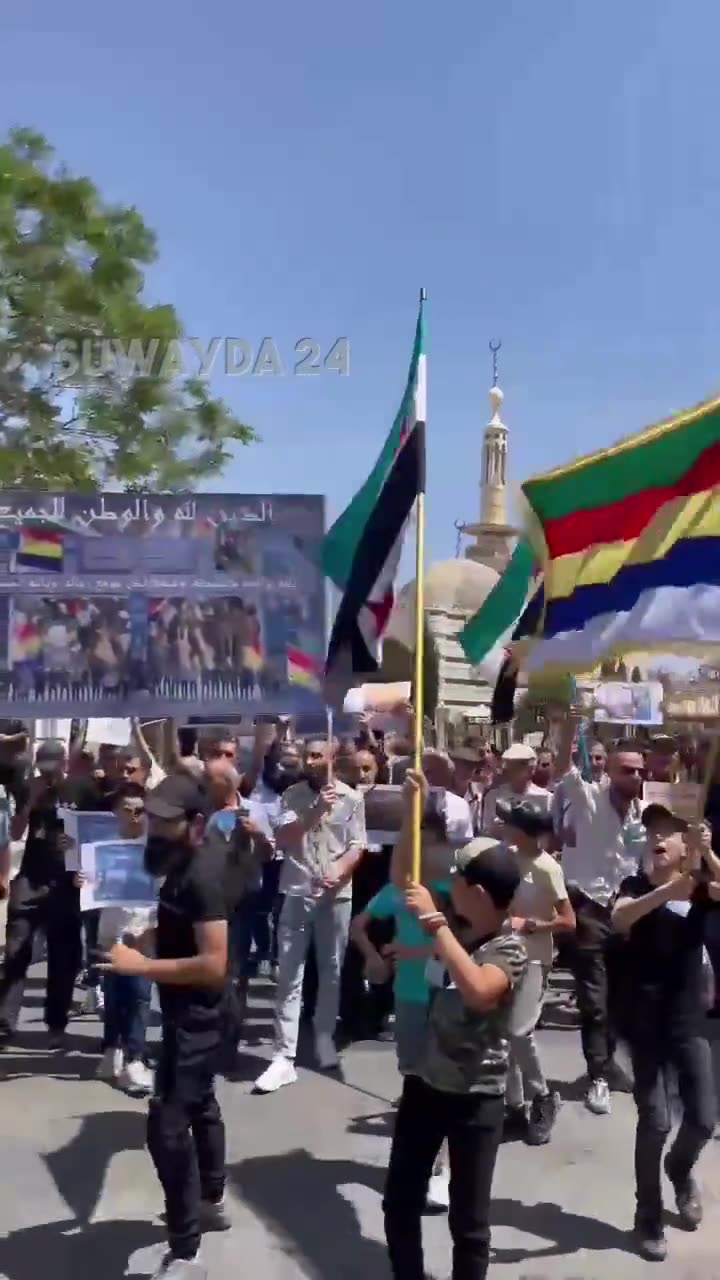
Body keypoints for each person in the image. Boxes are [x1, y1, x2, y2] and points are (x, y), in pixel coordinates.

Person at [383, 770, 527, 1280]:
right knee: (399, 1205)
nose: (451, 886)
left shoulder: (508, 948)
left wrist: (437, 928)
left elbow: (481, 990)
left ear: (482, 895)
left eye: (461, 881)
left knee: (469, 1226)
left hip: (476, 1098)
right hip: (426, 1083)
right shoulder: (462, 927)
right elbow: (405, 878)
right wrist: (410, 812)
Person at [101, 773, 229, 1280]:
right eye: (150, 817)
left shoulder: (201, 874)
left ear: (195, 825)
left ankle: (185, 1252)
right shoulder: (177, 866)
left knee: (166, 1127)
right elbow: (182, 928)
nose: (151, 827)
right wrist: (147, 936)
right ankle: (213, 1198)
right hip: (185, 1009)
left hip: (201, 1014)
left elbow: (214, 961)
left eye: (163, 821)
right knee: (200, 1102)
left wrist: (142, 968)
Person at [612, 807, 720, 1261]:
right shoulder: (634, 888)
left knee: (702, 1118)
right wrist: (666, 893)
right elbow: (620, 918)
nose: (657, 838)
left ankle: (680, 1169)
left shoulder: (700, 890)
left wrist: (711, 855)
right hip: (643, 1024)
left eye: (668, 834)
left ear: (683, 848)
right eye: (651, 832)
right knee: (655, 1121)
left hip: (687, 1021)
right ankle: (648, 1216)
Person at [351, 808, 456, 1211]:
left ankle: (442, 1170)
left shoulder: (452, 888)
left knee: (442, 1078)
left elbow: (459, 943)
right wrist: (374, 957)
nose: (419, 845)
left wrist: (409, 950)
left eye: (426, 836)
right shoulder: (398, 890)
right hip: (409, 993)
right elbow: (358, 925)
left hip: (447, 993)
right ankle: (420, 1161)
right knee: (415, 1078)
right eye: (412, 836)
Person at [254, 737, 367, 1093]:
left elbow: (357, 844)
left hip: (336, 895)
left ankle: (323, 1034)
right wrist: (316, 810)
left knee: (331, 968)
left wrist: (342, 871)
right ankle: (283, 1055)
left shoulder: (352, 798)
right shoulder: (292, 795)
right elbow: (285, 838)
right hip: (297, 891)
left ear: (333, 759)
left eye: (318, 755)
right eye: (308, 755)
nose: (311, 760)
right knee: (289, 972)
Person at [556, 718, 647, 1115]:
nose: (637, 776)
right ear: (608, 770)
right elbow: (563, 766)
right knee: (595, 1000)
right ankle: (598, 1076)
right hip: (589, 912)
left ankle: (609, 1062)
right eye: (628, 769)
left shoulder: (645, 812)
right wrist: (568, 728)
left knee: (622, 997)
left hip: (627, 914)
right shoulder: (587, 797)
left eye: (640, 770)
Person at [0, 740, 105, 1050]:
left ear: (64, 763)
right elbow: (16, 833)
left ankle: (56, 1023)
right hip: (31, 880)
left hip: (66, 884)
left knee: (64, 956)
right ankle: (5, 1023)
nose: (48, 774)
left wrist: (80, 852)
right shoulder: (27, 787)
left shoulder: (82, 789)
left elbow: (103, 829)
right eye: (42, 766)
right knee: (16, 951)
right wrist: (30, 800)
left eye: (53, 767)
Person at [495, 798, 575, 1144]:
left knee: (518, 1031)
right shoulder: (506, 859)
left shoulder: (547, 868)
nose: (503, 826)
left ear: (526, 831)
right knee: (502, 1033)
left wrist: (530, 924)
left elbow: (568, 921)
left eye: (510, 822)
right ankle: (514, 1106)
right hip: (502, 956)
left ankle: (543, 1096)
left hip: (535, 958)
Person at [96, 781, 154, 1095]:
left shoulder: (155, 848)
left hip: (143, 929)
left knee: (140, 995)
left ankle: (136, 1057)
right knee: (115, 994)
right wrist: (83, 878)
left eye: (139, 810)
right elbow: (89, 886)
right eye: (127, 809)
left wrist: (153, 928)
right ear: (116, 812)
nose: (133, 816)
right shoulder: (102, 846)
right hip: (111, 929)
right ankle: (111, 1050)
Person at [481, 743, 552, 834]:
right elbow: (486, 832)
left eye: (520, 764)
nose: (511, 769)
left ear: (532, 768)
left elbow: (550, 836)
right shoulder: (493, 797)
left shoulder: (546, 798)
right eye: (510, 764)